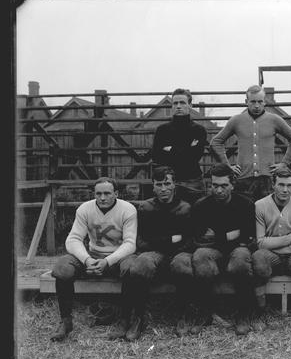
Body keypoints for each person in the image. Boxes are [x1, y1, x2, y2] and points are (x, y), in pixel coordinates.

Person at [50, 177, 138, 341]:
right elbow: (73, 239)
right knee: (62, 268)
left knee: (132, 267)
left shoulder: (128, 209)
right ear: (94, 194)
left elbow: (130, 244)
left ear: (116, 193)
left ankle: (125, 319)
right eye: (98, 194)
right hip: (93, 256)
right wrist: (86, 260)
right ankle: (65, 321)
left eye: (107, 193)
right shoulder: (85, 209)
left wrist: (108, 261)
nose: (102, 198)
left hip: (117, 258)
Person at [122, 166, 196, 340]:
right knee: (141, 264)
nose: (163, 189)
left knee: (182, 264)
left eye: (167, 183)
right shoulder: (146, 208)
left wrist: (168, 244)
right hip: (154, 252)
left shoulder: (185, 208)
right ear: (153, 186)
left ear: (174, 185)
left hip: (179, 252)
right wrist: (168, 241)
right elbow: (141, 240)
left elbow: (189, 240)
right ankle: (139, 318)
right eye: (159, 184)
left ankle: (183, 315)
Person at [189, 163, 257, 335]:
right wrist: (231, 235)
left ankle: (243, 312)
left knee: (241, 258)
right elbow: (200, 237)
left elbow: (248, 236)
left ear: (232, 185)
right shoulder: (201, 206)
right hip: (213, 251)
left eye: (224, 186)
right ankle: (206, 311)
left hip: (237, 250)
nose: (219, 190)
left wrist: (218, 237)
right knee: (200, 256)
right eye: (215, 186)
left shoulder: (245, 205)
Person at [210, 85, 291, 201]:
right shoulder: (236, 120)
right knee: (243, 214)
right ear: (246, 102)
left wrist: (284, 163)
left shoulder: (274, 119)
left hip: (267, 180)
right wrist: (228, 167)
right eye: (253, 101)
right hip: (243, 180)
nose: (257, 105)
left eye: (260, 101)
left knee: (265, 214)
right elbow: (216, 142)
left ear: (265, 102)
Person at [251, 167, 291, 330]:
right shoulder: (260, 205)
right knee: (258, 257)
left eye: (289, 185)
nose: (285, 190)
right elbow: (260, 243)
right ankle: (261, 311)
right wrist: (289, 238)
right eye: (281, 185)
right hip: (271, 257)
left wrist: (273, 244)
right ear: (273, 184)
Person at [151, 88, 208, 204]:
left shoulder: (199, 130)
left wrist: (170, 149)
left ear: (190, 105)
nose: (178, 106)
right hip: (167, 182)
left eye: (182, 103)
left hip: (193, 181)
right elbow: (157, 156)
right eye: (175, 103)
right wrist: (187, 149)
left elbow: (194, 157)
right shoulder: (162, 130)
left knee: (196, 215)